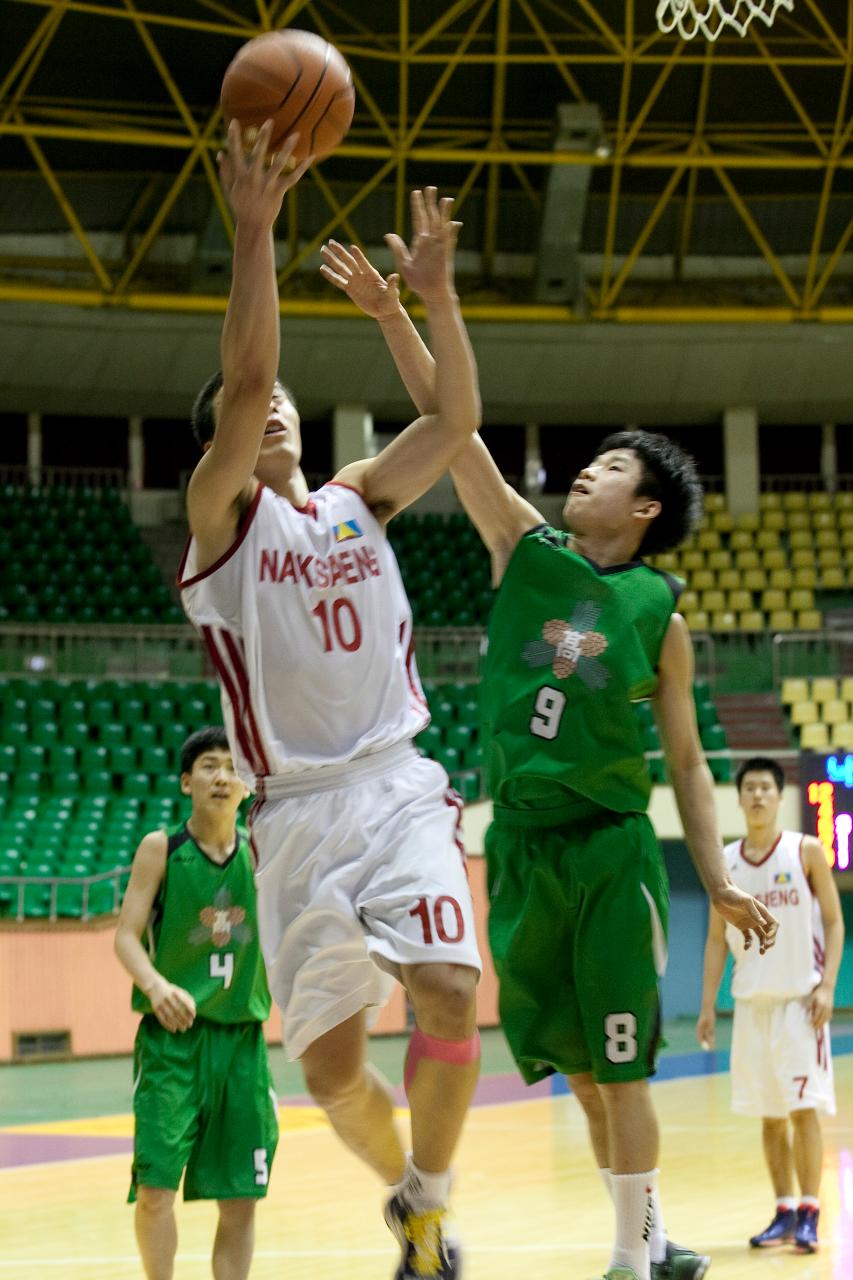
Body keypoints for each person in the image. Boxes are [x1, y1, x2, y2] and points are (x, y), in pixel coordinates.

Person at [318, 240, 778, 1280]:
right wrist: (407, 312)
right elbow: (456, 430)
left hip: (609, 848)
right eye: (594, 459)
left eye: (613, 467)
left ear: (646, 508)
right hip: (519, 848)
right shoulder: (525, 550)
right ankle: (655, 1240)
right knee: (577, 1062)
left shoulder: (657, 613)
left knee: (620, 1062)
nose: (589, 469)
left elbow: (691, 766)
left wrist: (713, 875)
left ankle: (628, 1254)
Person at [178, 123, 483, 1280]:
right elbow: (245, 375)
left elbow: (452, 422)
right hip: (297, 815)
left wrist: (424, 304)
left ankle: (431, 1204)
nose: (269, 410)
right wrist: (252, 229)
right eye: (246, 411)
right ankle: (400, 1184)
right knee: (331, 1074)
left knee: (451, 984)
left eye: (282, 403)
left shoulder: (358, 498)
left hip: (395, 783)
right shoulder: (223, 532)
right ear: (217, 443)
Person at [114, 726, 278, 1280]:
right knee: (156, 1190)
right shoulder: (161, 849)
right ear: (187, 781)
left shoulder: (263, 851)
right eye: (209, 765)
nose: (222, 776)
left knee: (240, 1198)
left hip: (241, 1043)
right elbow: (125, 937)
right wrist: (157, 986)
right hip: (172, 1046)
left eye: (232, 766)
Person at [696, 755, 843, 1255]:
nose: (758, 795)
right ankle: (783, 1210)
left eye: (766, 788)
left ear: (780, 797)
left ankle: (810, 1211)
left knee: (803, 1110)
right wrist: (706, 1005)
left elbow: (835, 922)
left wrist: (827, 986)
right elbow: (716, 939)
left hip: (800, 1004)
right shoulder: (727, 863)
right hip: (750, 1007)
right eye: (750, 788)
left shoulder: (806, 851)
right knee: (769, 1115)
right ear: (738, 799)